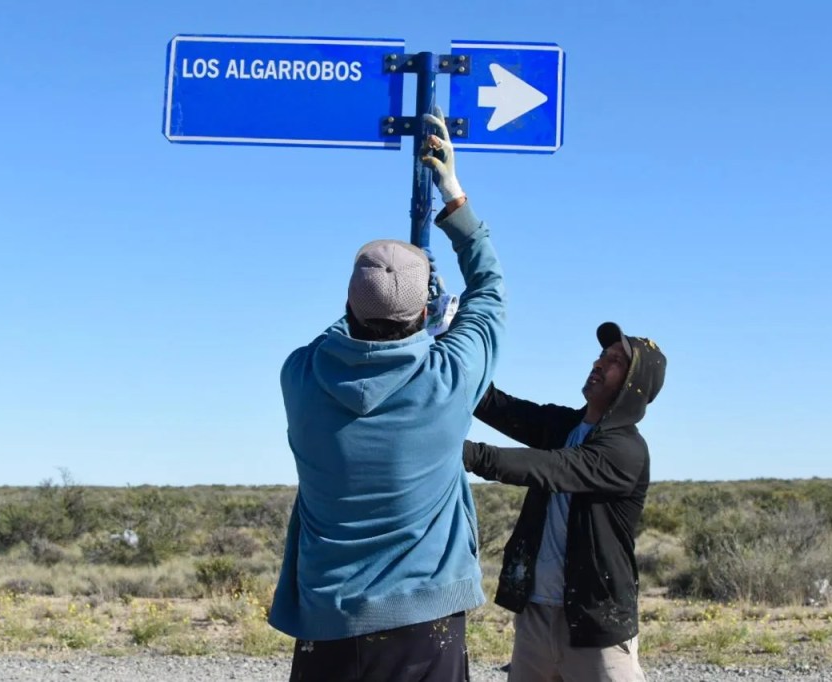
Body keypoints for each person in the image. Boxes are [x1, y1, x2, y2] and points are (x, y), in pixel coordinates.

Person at [267, 111, 506, 682]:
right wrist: (452, 195)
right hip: (426, 623)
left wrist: (384, 301)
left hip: (327, 620)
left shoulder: (301, 376)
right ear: (424, 315)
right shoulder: (447, 378)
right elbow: (489, 289)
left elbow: (334, 338)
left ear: (350, 306)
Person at [463, 323, 666, 682]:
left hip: (596, 623)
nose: (600, 362)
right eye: (603, 354)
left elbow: (550, 467)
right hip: (536, 615)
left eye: (615, 360)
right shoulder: (563, 426)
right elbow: (494, 404)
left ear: (635, 385)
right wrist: (450, 341)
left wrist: (460, 453)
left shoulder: (625, 451)